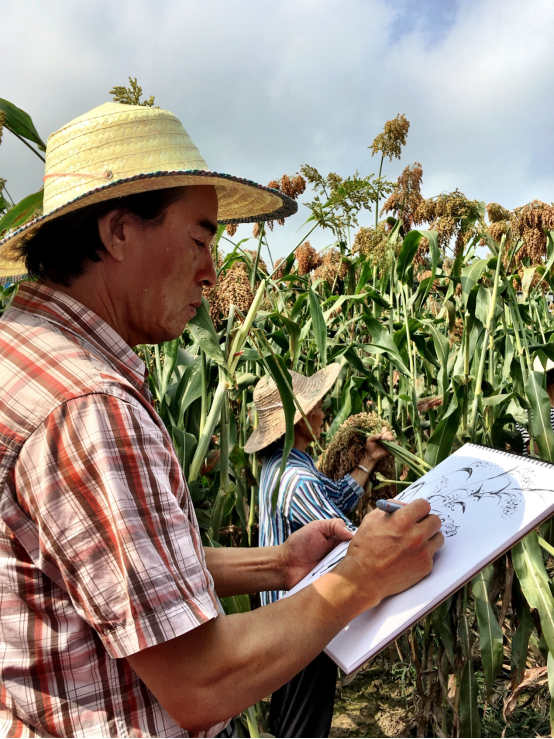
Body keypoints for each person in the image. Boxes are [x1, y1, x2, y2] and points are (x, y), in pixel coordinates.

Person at [0, 102, 444, 738]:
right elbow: (199, 680)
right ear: (118, 232)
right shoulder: (90, 407)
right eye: (201, 239)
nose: (211, 273)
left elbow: (111, 570)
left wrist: (279, 565)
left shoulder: (19, 352)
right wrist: (360, 577)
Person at [245, 367, 394, 738]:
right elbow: (347, 536)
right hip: (299, 624)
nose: (324, 415)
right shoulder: (297, 480)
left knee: (289, 717)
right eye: (318, 408)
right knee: (304, 725)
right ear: (299, 421)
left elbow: (332, 503)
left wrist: (368, 461)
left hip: (282, 619)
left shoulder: (285, 465)